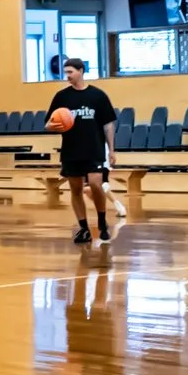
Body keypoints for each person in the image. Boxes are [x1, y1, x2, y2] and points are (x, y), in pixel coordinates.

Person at [49, 57, 118, 246]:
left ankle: (102, 222)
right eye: (66, 72)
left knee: (96, 184)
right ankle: (84, 228)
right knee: (76, 189)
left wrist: (111, 150)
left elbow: (108, 125)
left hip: (94, 148)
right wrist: (56, 125)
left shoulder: (98, 96)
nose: (67, 76)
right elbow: (49, 123)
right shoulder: (62, 97)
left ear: (81, 71)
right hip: (71, 149)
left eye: (70, 72)